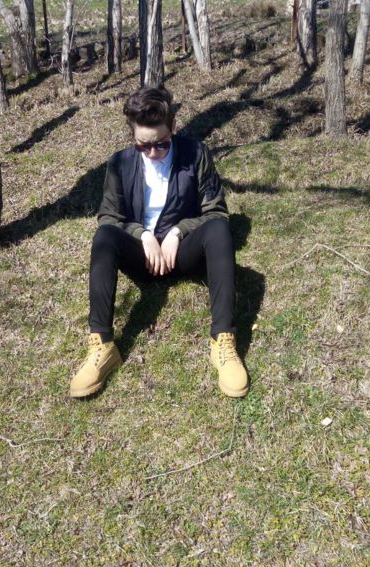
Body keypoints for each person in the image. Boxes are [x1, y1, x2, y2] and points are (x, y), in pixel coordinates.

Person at [70, 86, 249, 398]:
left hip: (183, 255)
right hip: (141, 257)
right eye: (144, 146)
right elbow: (109, 217)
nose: (153, 153)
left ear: (173, 128)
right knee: (104, 237)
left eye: (161, 144)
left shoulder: (196, 154)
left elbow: (216, 210)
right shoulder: (120, 163)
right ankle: (102, 345)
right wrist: (143, 235)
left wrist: (178, 232)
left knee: (220, 230)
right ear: (132, 136)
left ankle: (223, 340)